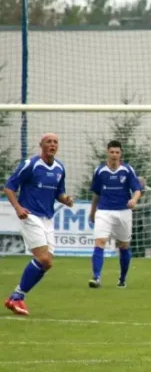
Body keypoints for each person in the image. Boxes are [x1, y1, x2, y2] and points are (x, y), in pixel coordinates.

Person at [3, 133, 74, 315]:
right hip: (30, 215)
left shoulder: (60, 168)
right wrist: (18, 208)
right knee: (43, 258)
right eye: (48, 142)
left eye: (55, 142)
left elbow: (59, 192)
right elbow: (9, 187)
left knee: (48, 263)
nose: (52, 145)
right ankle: (16, 298)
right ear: (41, 145)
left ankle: (17, 296)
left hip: (47, 218)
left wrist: (65, 199)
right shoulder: (31, 165)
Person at [88, 140, 142, 289]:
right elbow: (96, 194)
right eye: (112, 152)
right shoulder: (100, 171)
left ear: (120, 153)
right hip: (104, 211)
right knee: (100, 242)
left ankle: (122, 278)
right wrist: (93, 212)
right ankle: (96, 277)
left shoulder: (127, 170)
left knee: (124, 246)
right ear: (108, 152)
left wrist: (134, 199)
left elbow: (137, 189)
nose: (114, 155)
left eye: (117, 152)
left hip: (123, 211)